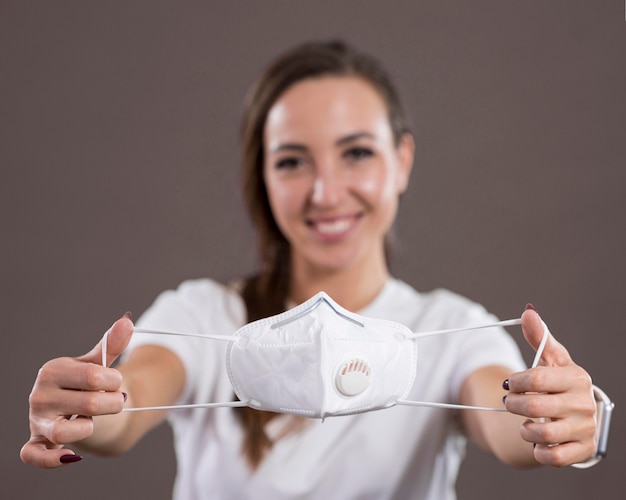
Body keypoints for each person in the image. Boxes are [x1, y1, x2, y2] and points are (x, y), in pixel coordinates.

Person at [21, 40, 600, 499]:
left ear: (401, 161)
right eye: (293, 161)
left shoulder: (449, 329)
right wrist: (88, 407)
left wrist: (567, 418)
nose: (326, 193)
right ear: (263, 177)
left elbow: (507, 424)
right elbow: (133, 399)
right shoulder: (201, 314)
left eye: (356, 153)